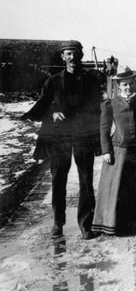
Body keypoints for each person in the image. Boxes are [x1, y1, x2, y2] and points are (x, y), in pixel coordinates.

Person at [21, 40, 102, 239]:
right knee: (58, 180)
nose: (72, 57)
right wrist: (53, 113)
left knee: (86, 180)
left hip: (83, 135)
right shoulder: (53, 81)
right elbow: (42, 106)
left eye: (75, 53)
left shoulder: (91, 80)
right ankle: (58, 223)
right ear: (63, 57)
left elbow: (98, 107)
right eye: (68, 54)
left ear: (81, 56)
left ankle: (85, 225)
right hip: (59, 137)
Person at [92, 66, 136, 236]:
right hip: (119, 151)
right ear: (119, 86)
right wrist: (106, 151)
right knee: (117, 189)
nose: (128, 88)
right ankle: (114, 224)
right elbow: (104, 129)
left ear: (134, 84)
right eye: (124, 85)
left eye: (130, 84)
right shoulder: (111, 104)